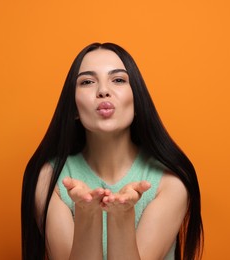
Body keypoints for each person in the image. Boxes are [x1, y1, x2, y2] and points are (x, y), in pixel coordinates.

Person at [21, 42, 203, 260]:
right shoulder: (49, 179)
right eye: (87, 82)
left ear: (137, 100)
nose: (103, 91)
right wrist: (87, 214)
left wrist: (122, 216)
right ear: (74, 108)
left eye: (118, 80)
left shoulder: (170, 181)